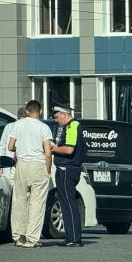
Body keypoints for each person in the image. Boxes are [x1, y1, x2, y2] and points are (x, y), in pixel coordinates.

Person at [7, 99, 53, 248]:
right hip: (38, 165)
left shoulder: (17, 125)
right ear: (40, 111)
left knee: (19, 201)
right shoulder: (44, 127)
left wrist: (21, 149)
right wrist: (48, 170)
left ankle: (18, 236)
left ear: (27, 111)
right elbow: (47, 153)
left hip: (21, 164)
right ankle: (31, 238)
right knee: (37, 203)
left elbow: (10, 146)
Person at [51, 102, 84, 247]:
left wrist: (53, 148)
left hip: (68, 169)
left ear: (64, 115)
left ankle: (74, 238)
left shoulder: (72, 126)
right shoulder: (68, 127)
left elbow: (69, 149)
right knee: (65, 203)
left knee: (69, 203)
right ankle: (70, 236)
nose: (56, 120)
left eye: (57, 117)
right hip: (66, 168)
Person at [0, 107, 26, 178]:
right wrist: (0, 165)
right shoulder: (9, 127)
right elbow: (2, 146)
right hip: (11, 164)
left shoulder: (30, 128)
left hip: (24, 164)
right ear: (17, 118)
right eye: (20, 120)